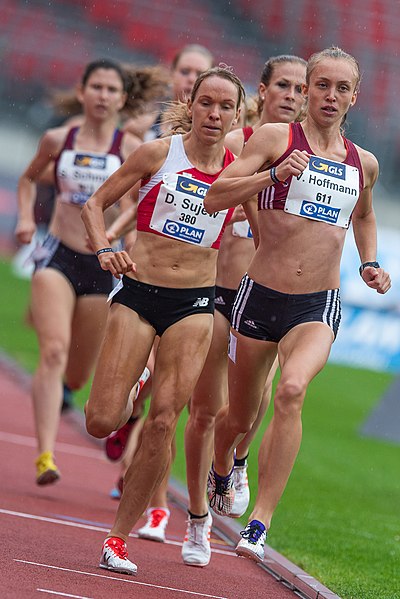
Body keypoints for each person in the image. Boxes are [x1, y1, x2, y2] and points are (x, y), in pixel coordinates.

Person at [204, 47, 391, 563]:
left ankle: (260, 522)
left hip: (318, 303)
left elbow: (365, 217)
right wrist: (273, 175)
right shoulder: (273, 138)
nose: (331, 96)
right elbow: (215, 195)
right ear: (306, 89)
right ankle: (223, 466)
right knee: (238, 416)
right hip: (259, 297)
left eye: (342, 88)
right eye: (321, 85)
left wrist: (369, 262)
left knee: (289, 392)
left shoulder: (363, 163)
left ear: (354, 97)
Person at [81, 66, 246, 575]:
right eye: (206, 103)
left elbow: (267, 228)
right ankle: (132, 386)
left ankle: (118, 538)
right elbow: (95, 203)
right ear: (191, 105)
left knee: (164, 421)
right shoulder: (159, 154)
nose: (214, 114)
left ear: (237, 115)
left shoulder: (239, 172)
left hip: (195, 304)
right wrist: (106, 248)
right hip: (139, 294)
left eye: (225, 107)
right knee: (101, 420)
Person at [181, 54, 307, 567]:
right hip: (219, 288)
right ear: (263, 89)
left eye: (301, 88)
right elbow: (208, 198)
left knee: (251, 408)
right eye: (284, 85)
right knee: (207, 409)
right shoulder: (239, 143)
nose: (293, 96)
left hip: (269, 293)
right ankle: (197, 517)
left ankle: (236, 463)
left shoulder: (313, 154)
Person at [15, 59, 143, 485]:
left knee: (76, 372)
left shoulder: (131, 149)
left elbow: (134, 206)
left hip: (102, 265)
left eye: (112, 89)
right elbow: (29, 179)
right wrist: (26, 219)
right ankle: (45, 456)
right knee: (52, 350)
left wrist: (122, 244)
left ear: (123, 99)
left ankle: (67, 392)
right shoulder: (59, 138)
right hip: (56, 255)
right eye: (97, 87)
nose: (103, 96)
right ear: (83, 91)